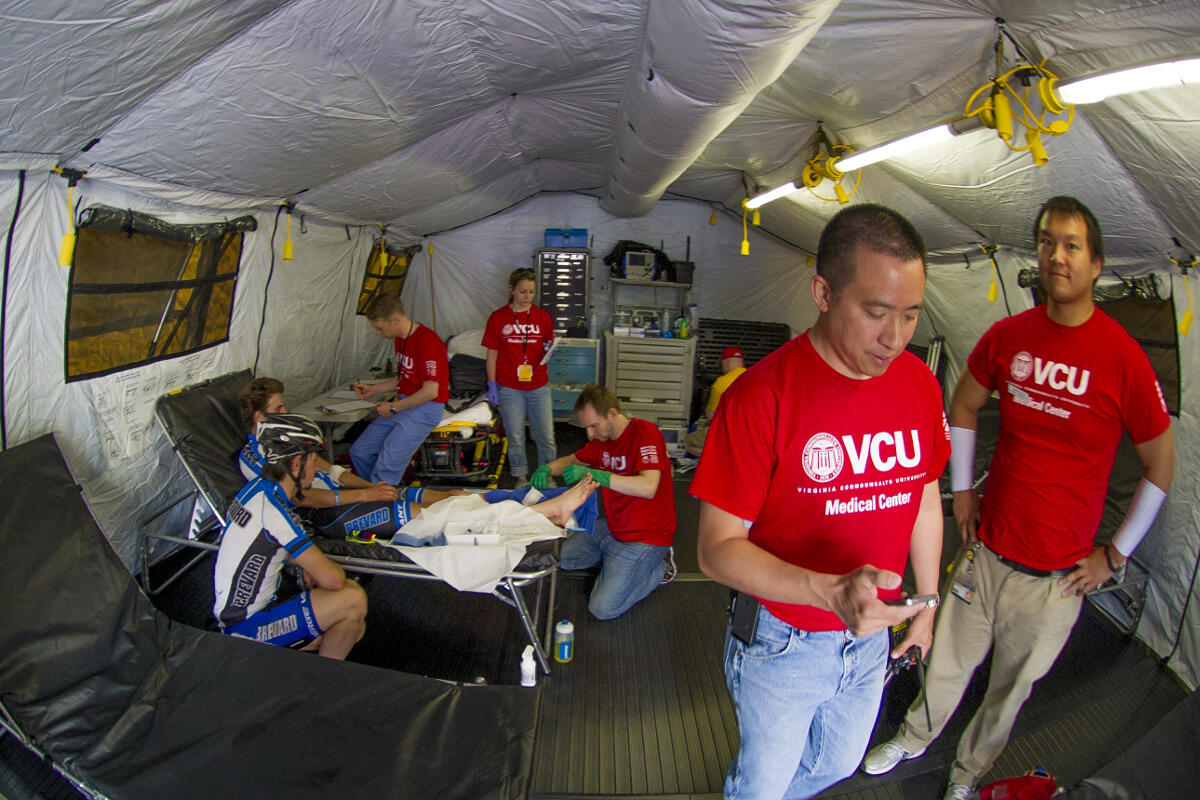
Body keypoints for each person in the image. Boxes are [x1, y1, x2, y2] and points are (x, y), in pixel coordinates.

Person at [860, 196, 1176, 800]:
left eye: (1072, 245)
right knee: (947, 663)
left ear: (1097, 263)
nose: (1056, 255)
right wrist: (960, 491)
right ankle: (914, 736)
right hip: (987, 553)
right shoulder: (1010, 336)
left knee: (1009, 691)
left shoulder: (1123, 361)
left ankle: (966, 774)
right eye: (1046, 242)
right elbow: (965, 404)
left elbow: (1162, 465)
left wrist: (1115, 555)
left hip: (1057, 581)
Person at [692, 203, 950, 800]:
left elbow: (925, 499)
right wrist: (827, 590)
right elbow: (715, 550)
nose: (895, 338)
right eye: (877, 313)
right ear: (824, 293)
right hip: (784, 642)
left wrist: (928, 603)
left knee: (836, 766)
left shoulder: (918, 383)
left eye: (911, 315)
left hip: (871, 636)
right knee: (761, 785)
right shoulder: (760, 397)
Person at [213, 413, 368, 660]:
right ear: (296, 463)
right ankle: (312, 682)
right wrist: (322, 568)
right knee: (353, 597)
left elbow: (262, 547)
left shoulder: (257, 490)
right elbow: (334, 581)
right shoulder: (275, 511)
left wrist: (302, 563)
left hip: (236, 616)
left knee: (353, 626)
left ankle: (314, 672)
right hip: (245, 628)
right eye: (314, 461)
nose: (316, 470)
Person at [238, 377, 462, 542]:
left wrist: (372, 487)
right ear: (260, 416)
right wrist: (365, 495)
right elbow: (300, 498)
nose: (286, 410)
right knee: (422, 515)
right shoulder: (255, 456)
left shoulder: (288, 437)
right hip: (321, 517)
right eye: (279, 408)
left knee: (442, 498)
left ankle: (465, 505)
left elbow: (334, 471)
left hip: (342, 497)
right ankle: (473, 524)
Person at [532, 384, 677, 619]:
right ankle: (614, 558)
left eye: (593, 425)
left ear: (612, 414)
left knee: (602, 609)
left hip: (646, 537)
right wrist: (547, 468)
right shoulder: (602, 440)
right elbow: (572, 459)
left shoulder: (645, 433)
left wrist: (599, 476)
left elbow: (649, 487)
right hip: (612, 526)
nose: (589, 433)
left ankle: (660, 567)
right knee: (561, 559)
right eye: (585, 427)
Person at [350, 295, 448, 484]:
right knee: (360, 451)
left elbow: (430, 391)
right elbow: (404, 378)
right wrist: (373, 389)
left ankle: (381, 501)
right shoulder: (401, 339)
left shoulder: (428, 342)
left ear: (395, 320)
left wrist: (394, 408)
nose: (378, 333)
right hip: (406, 402)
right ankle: (373, 492)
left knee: (387, 463)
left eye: (380, 328)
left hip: (425, 408)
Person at [483, 267, 557, 488]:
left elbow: (548, 348)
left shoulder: (542, 317)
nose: (527, 297)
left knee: (546, 435)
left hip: (538, 384)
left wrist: (549, 349)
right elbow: (492, 354)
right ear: (511, 289)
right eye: (523, 291)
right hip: (508, 386)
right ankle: (521, 477)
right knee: (515, 436)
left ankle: (548, 474)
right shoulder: (498, 317)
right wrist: (492, 384)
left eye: (532, 292)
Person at [684, 346, 747, 457]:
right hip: (752, 432)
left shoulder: (722, 382)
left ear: (725, 364)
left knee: (688, 441)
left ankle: (718, 460)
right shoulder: (755, 377)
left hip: (730, 430)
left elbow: (711, 416)